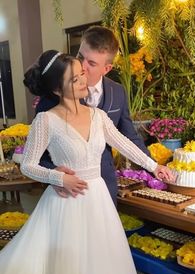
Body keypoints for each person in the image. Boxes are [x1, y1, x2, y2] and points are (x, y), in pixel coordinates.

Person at [0, 50, 175, 274]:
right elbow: (27, 164)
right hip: (66, 206)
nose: (84, 81)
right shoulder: (46, 121)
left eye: (82, 73)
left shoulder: (97, 116)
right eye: (75, 78)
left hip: (99, 206)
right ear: (57, 89)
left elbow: (124, 143)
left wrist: (155, 166)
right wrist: (58, 177)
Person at [37, 26, 151, 204]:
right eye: (80, 56)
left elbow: (129, 137)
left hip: (105, 186)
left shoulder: (117, 92)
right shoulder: (53, 95)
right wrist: (53, 176)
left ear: (107, 68)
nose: (82, 66)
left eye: (91, 63)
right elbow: (38, 155)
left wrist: (156, 169)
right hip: (68, 192)